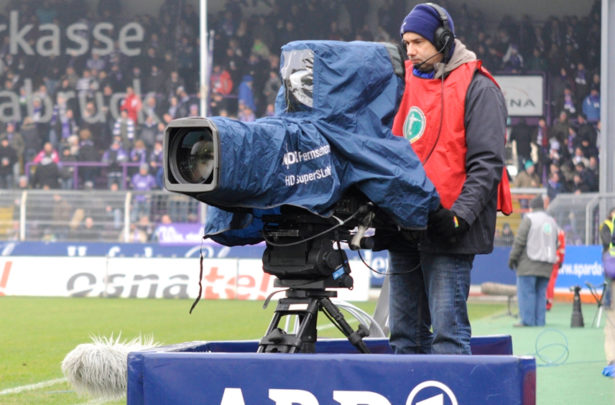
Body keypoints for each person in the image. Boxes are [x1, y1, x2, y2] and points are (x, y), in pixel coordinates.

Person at [387, 3, 510, 354]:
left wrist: (458, 217)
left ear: (442, 40)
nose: (409, 50)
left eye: (418, 42)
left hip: (450, 231)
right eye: (406, 42)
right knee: (404, 338)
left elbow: (487, 165)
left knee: (448, 336)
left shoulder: (479, 88)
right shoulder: (403, 81)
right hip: (404, 229)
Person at [508, 195, 560, 327]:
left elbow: (519, 241)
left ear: (531, 207)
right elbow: (556, 243)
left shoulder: (529, 219)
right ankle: (539, 321)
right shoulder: (552, 221)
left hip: (529, 262)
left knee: (527, 292)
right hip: (547, 264)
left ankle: (527, 321)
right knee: (541, 293)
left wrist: (512, 258)